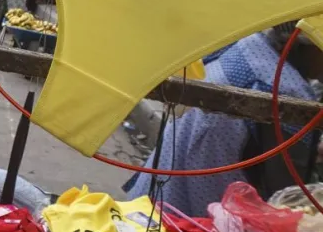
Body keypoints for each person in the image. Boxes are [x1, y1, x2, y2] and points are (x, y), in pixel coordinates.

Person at [125, 23, 323, 216]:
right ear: (306, 43)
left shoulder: (247, 44)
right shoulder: (289, 95)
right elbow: (288, 196)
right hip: (190, 221)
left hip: (151, 195)